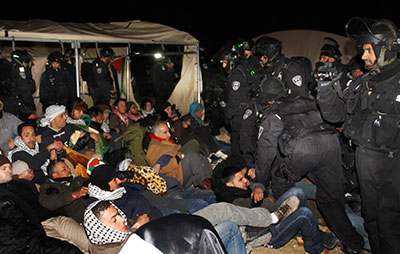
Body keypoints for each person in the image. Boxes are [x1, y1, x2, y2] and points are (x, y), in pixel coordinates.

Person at [252, 35, 365, 253]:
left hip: (303, 149)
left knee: (279, 189)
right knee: (330, 199)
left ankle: (301, 226)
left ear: (266, 99)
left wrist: (260, 181)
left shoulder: (272, 114)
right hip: (330, 143)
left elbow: (265, 152)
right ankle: (354, 244)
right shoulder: (304, 99)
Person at [316, 17, 400, 254]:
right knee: (372, 221)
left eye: (367, 50)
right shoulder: (364, 82)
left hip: (393, 167)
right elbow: (337, 115)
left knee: (391, 225)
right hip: (364, 162)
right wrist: (325, 89)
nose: (363, 57)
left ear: (384, 49)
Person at [212, 155, 338, 252]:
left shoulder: (239, 188)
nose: (246, 180)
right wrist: (268, 200)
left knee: (297, 192)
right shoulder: (236, 201)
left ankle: (311, 232)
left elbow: (255, 184)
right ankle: (314, 247)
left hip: (272, 215)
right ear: (229, 184)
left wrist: (258, 188)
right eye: (241, 179)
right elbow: (261, 216)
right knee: (303, 213)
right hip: (267, 232)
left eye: (245, 176)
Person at [0, 155, 84, 254]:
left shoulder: (23, 183)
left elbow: (41, 201)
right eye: (3, 168)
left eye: (9, 167)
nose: (8, 170)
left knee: (88, 242)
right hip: (40, 231)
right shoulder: (3, 197)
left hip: (56, 218)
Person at [83, 200, 230, 254]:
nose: (122, 219)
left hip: (172, 227)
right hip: (187, 238)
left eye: (118, 214)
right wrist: (138, 227)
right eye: (114, 219)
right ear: (101, 230)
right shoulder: (118, 248)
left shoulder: (110, 239)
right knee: (229, 227)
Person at [217, 40, 263, 156]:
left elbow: (234, 100)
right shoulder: (244, 68)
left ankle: (238, 163)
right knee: (248, 138)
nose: (223, 66)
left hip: (239, 113)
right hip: (249, 110)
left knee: (237, 141)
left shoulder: (236, 75)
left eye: (224, 63)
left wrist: (227, 115)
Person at [146, 120, 213, 190]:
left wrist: (177, 150)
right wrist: (177, 159)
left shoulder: (162, 140)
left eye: (168, 131)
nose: (169, 134)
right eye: (165, 132)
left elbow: (172, 151)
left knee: (202, 158)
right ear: (156, 134)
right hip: (175, 175)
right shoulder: (154, 147)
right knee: (192, 157)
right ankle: (206, 187)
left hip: (179, 164)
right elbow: (160, 169)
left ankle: (210, 182)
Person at [39, 159, 89, 224]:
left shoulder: (74, 179)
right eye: (64, 169)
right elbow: (47, 203)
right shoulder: (49, 187)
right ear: (55, 175)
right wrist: (73, 195)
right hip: (80, 218)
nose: (69, 170)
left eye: (67, 167)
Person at [1, 50, 36, 116]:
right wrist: (30, 106)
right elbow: (24, 88)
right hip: (16, 104)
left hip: (10, 103)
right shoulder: (19, 69)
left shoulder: (10, 67)